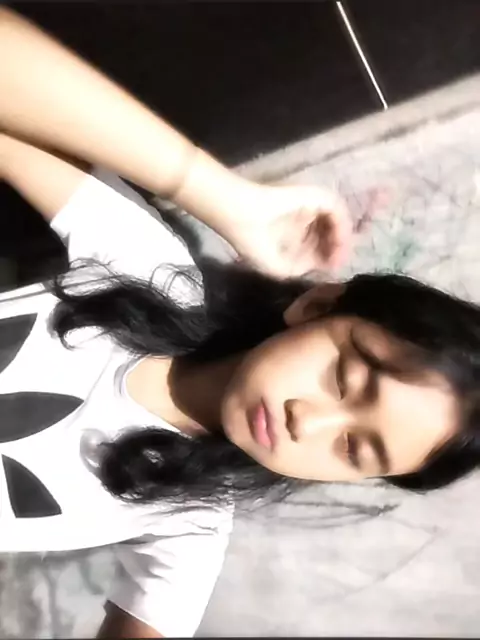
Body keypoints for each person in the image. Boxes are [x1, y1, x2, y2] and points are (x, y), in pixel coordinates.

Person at [0, 7, 479, 639]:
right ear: (316, 307)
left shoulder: (187, 524)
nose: (309, 423)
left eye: (353, 450)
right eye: (344, 377)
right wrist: (225, 200)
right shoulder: (148, 266)